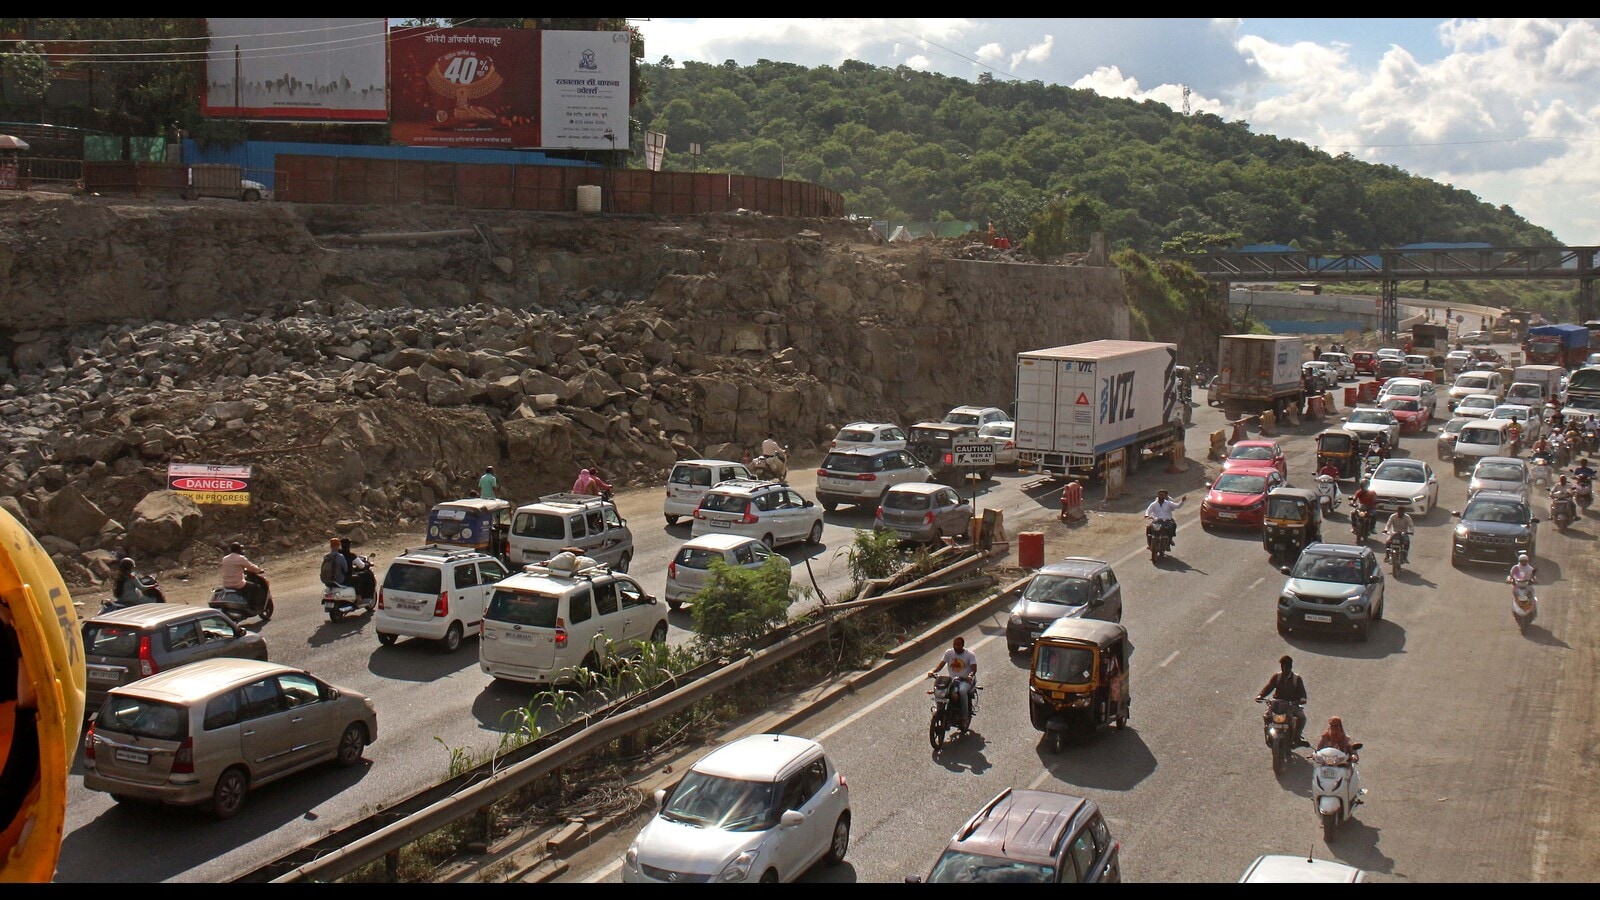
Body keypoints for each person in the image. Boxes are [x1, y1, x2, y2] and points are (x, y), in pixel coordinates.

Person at [1256, 655, 1308, 747]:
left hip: (1292, 704)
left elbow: (1303, 694)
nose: (1284, 669)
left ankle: (1296, 737)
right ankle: (1268, 734)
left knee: (1302, 718)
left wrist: (1301, 700)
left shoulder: (1296, 679)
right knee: (1267, 716)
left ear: (1290, 667)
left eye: (1287, 666)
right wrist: (1261, 695)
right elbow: (1269, 687)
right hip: (1277, 703)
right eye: (1283, 666)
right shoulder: (1277, 676)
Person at [928, 635, 979, 726]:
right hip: (952, 681)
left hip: (965, 681)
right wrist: (933, 671)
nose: (956, 646)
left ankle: (964, 716)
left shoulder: (970, 655)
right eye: (954, 644)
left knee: (962, 691)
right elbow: (941, 665)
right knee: (941, 691)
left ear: (963, 645)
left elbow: (973, 669)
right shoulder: (949, 653)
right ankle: (941, 709)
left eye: (958, 645)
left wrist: (970, 676)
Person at [220, 542, 266, 611]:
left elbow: (233, 568)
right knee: (256, 587)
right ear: (238, 550)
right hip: (237, 584)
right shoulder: (241, 558)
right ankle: (253, 606)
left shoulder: (225, 559)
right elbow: (251, 567)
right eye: (240, 549)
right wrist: (259, 570)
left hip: (226, 584)